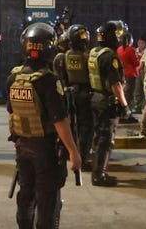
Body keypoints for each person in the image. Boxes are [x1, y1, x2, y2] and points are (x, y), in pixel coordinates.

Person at [8, 22, 81, 229]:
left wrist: (19, 139)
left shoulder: (14, 77)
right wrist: (73, 151)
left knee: (26, 198)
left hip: (22, 146)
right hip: (45, 150)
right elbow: (60, 120)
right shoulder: (49, 80)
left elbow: (12, 113)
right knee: (48, 203)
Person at [88, 20, 129, 186]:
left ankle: (97, 172)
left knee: (98, 138)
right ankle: (99, 176)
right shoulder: (110, 56)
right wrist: (125, 105)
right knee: (106, 141)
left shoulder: (94, 52)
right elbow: (116, 84)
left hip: (96, 99)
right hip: (107, 102)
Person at [58, 24, 93, 171]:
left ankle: (66, 153)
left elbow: (61, 77)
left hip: (68, 94)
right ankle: (83, 158)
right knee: (86, 127)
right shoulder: (87, 57)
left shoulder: (63, 57)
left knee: (70, 126)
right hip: (85, 94)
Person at [117, 30, 139, 123]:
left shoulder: (119, 49)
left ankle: (122, 113)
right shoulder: (131, 49)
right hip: (130, 74)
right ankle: (127, 115)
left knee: (123, 94)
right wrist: (139, 56)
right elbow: (136, 63)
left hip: (122, 74)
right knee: (129, 95)